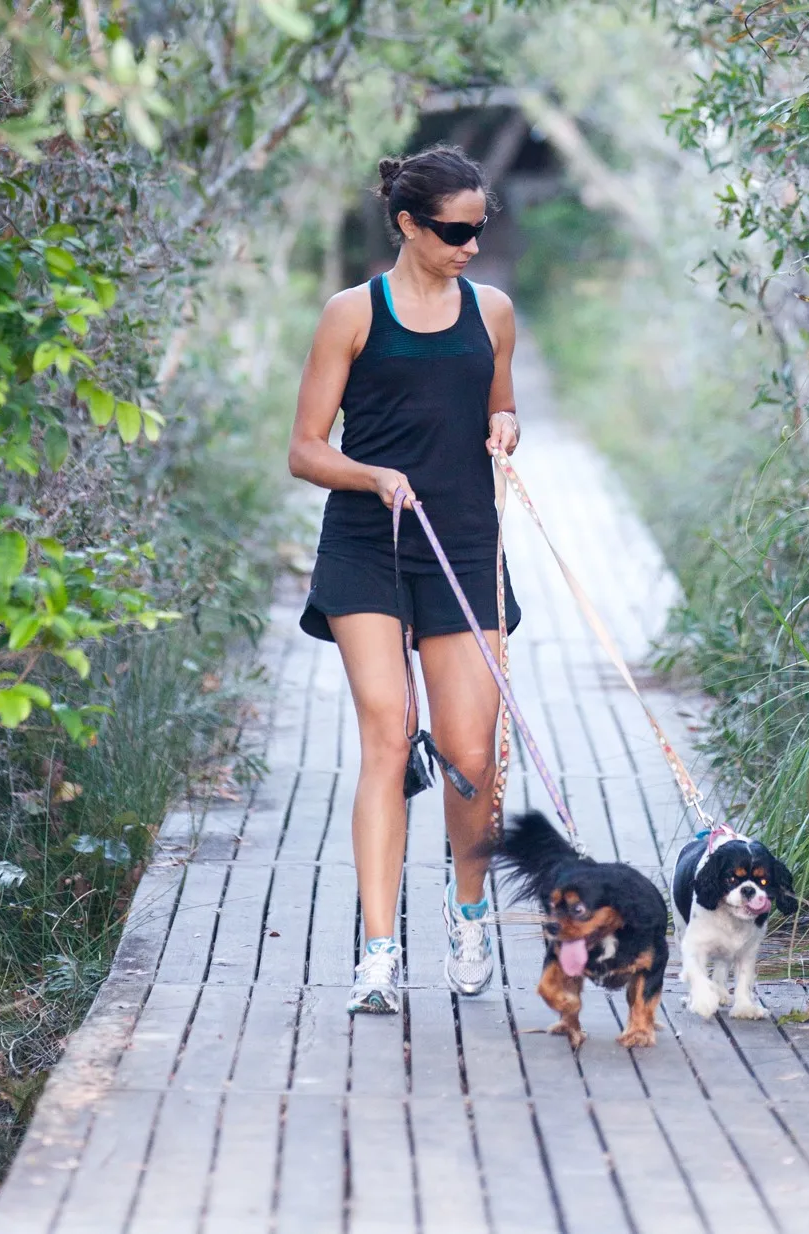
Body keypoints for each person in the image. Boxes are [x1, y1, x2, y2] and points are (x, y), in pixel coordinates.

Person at [287, 145, 522, 1014]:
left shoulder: (491, 311)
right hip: (367, 542)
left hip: (462, 540)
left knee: (471, 757)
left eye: (479, 228)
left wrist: (504, 426)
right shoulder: (353, 313)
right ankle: (379, 954)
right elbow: (306, 448)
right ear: (408, 225)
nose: (469, 244)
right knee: (390, 734)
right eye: (454, 231)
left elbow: (500, 400)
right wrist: (371, 474)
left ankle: (468, 914)